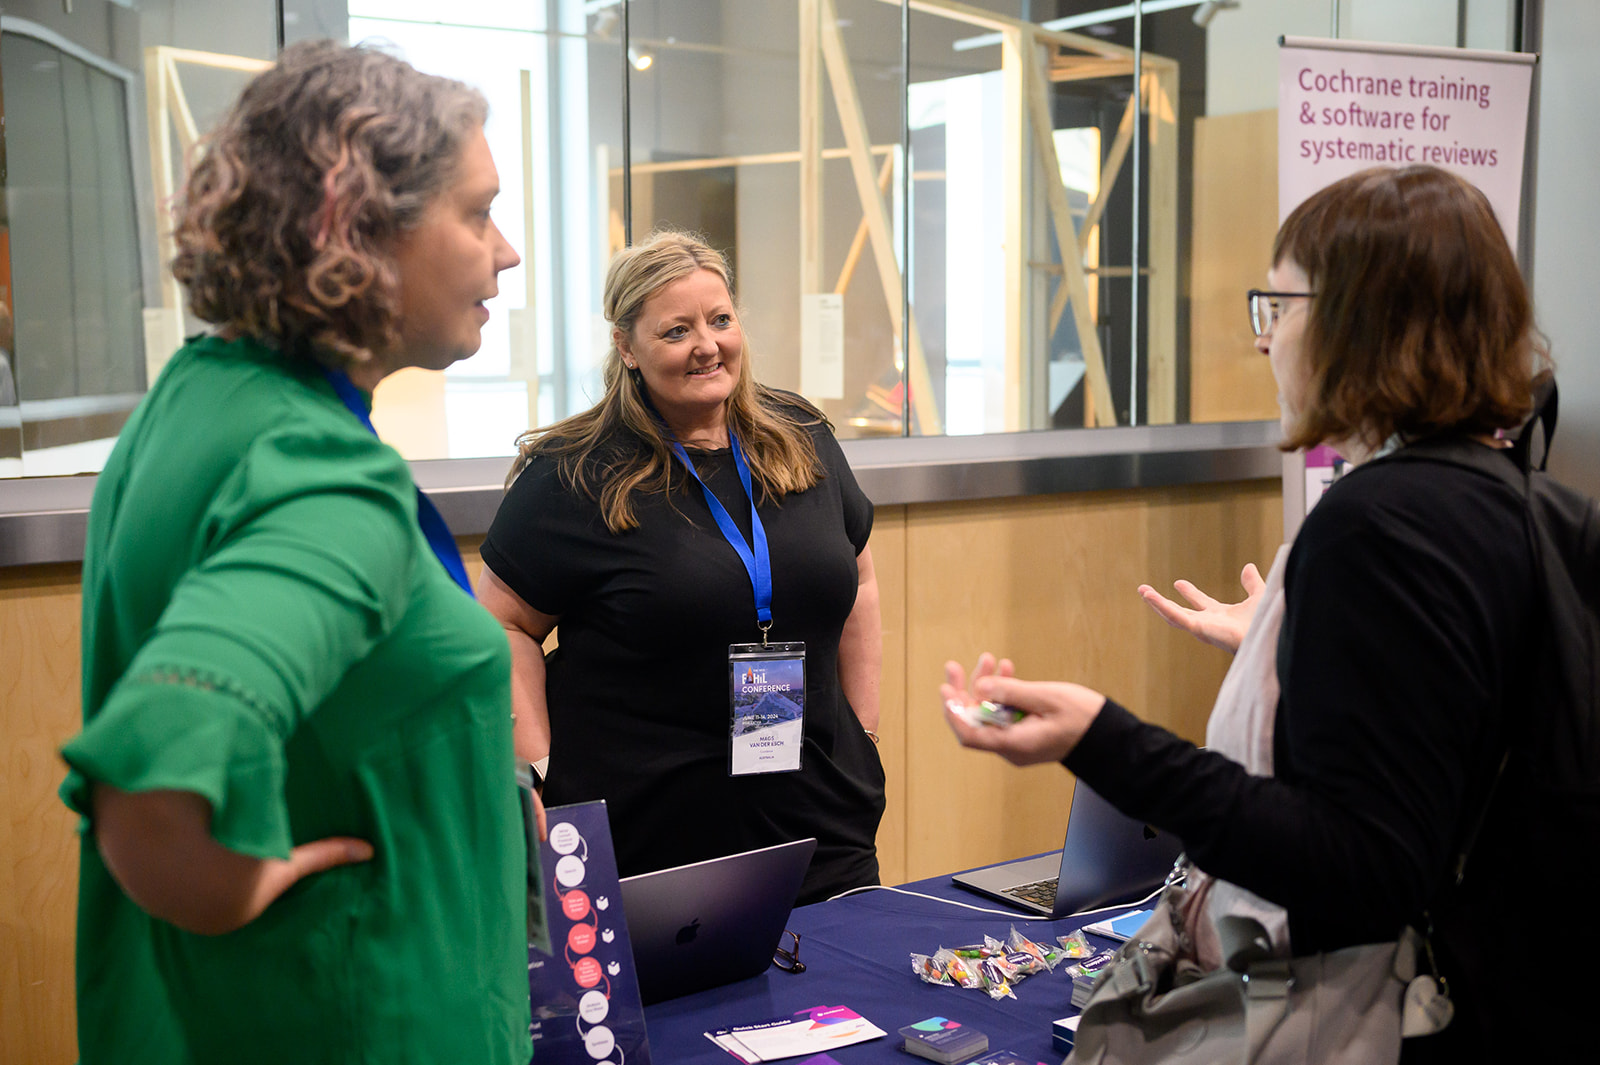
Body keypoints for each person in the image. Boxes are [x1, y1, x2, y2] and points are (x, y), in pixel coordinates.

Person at [942, 165, 1590, 1061]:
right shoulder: (1540, 508)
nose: (1265, 342)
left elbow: (1362, 864)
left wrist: (1101, 738)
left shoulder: (1379, 523)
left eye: (1278, 307)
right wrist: (1301, 656)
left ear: (1357, 318)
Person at [57, 41, 531, 1064]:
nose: (507, 252)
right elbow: (157, 756)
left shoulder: (196, 400)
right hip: (360, 1017)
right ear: (354, 224)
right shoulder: (326, 480)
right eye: (478, 211)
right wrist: (215, 879)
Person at [479, 230, 884, 905]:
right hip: (654, 843)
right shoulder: (574, 474)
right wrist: (541, 767)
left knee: (846, 1005)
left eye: (720, 319)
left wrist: (862, 733)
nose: (707, 344)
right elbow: (501, 624)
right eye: (677, 330)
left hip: (820, 823)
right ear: (626, 346)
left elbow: (859, 580)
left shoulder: (801, 437)